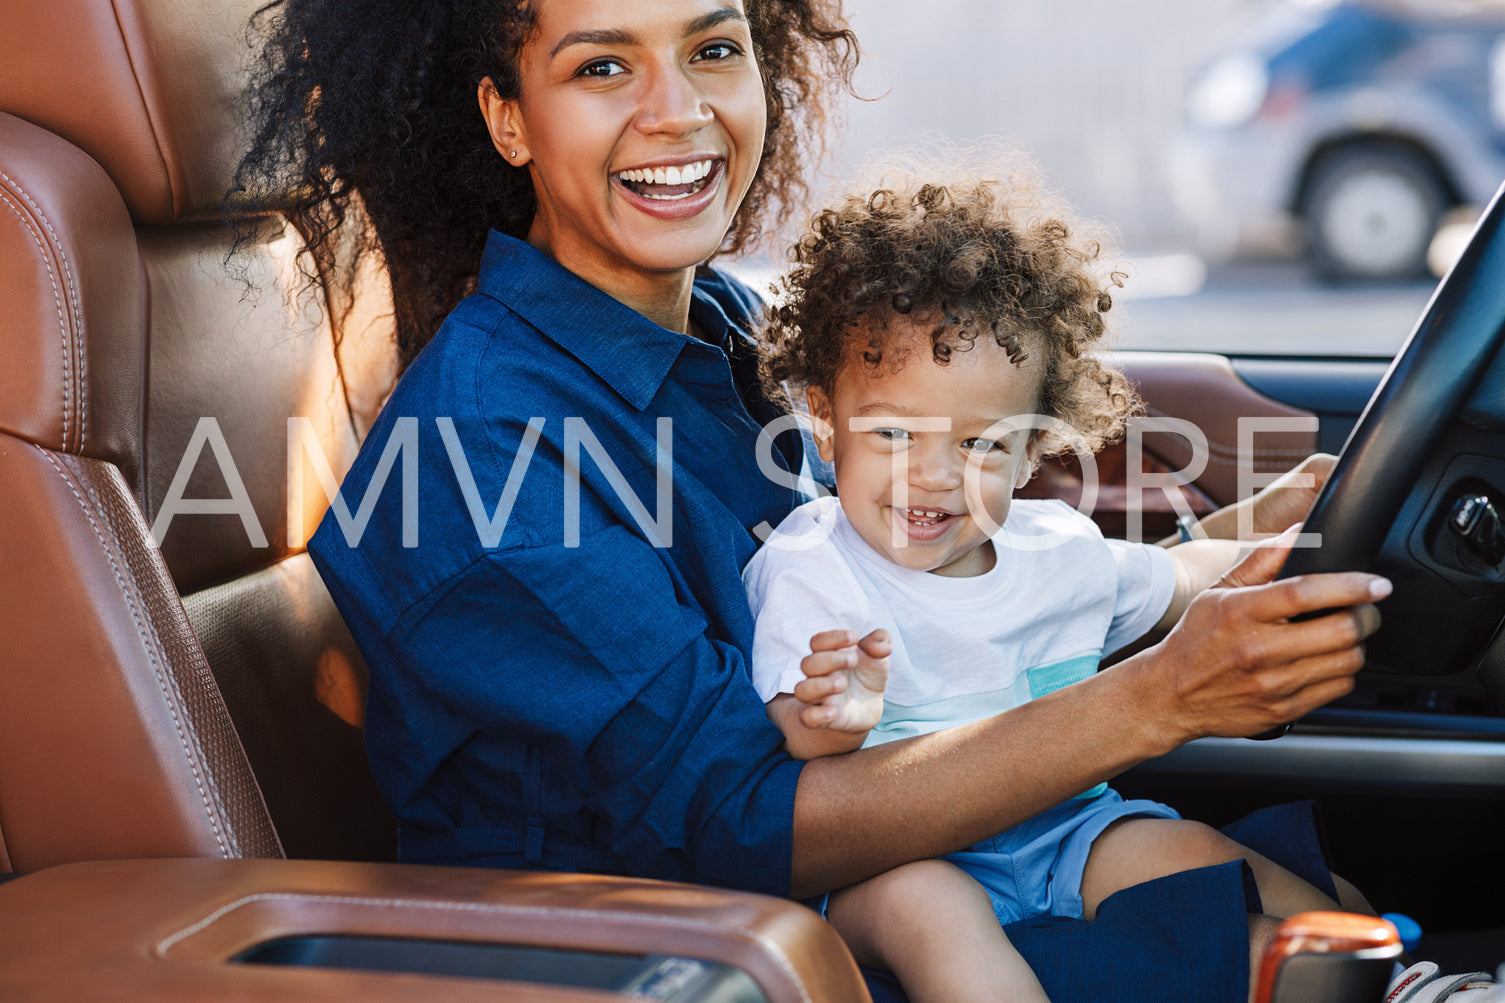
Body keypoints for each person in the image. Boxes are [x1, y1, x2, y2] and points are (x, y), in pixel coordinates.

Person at [235, 1, 1395, 999]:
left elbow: (909, 575)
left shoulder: (728, 327)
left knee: (1318, 907)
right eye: (600, 67)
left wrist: (1213, 557)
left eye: (712, 49)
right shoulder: (479, 441)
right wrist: (1156, 697)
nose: (676, 111)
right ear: (506, 118)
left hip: (867, 865)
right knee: (1283, 959)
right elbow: (740, 823)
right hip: (690, 946)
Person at [745, 168, 1369, 1003]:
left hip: (1063, 831)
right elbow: (790, 753)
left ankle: (1393, 977)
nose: (934, 475)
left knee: (1207, 856)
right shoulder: (811, 563)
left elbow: (1183, 574)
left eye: (982, 446)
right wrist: (832, 720)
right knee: (933, 910)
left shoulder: (1058, 552)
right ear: (825, 422)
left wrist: (1275, 515)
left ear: (1033, 449)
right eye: (893, 431)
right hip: (891, 860)